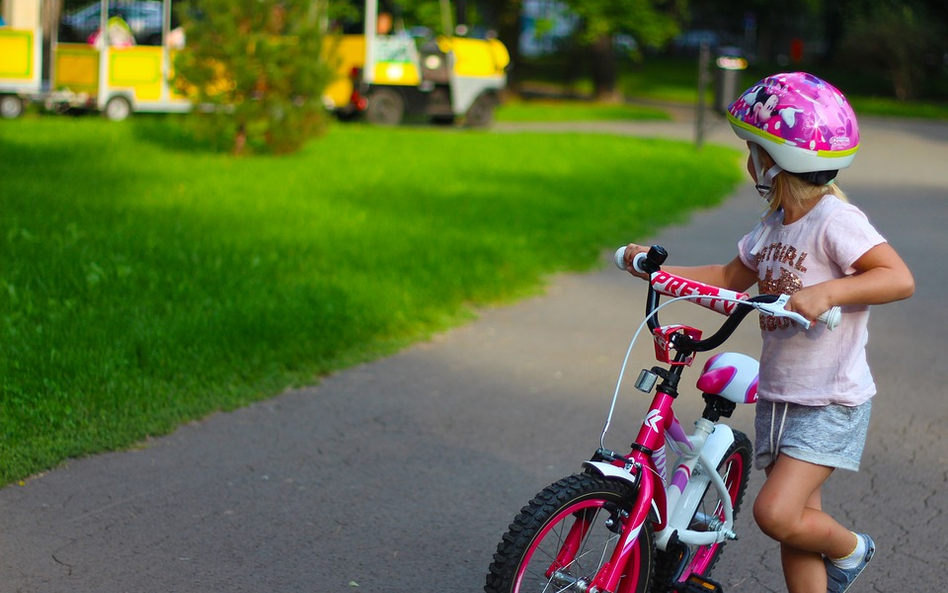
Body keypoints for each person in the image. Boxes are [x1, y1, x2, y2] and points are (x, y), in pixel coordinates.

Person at [620, 72, 915, 593]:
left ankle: (852, 549)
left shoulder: (835, 220)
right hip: (782, 396)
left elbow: (896, 278)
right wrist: (660, 274)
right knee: (796, 524)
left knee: (776, 514)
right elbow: (730, 279)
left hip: (829, 400)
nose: (748, 160)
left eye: (753, 149)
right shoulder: (773, 225)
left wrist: (828, 293)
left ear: (778, 159)